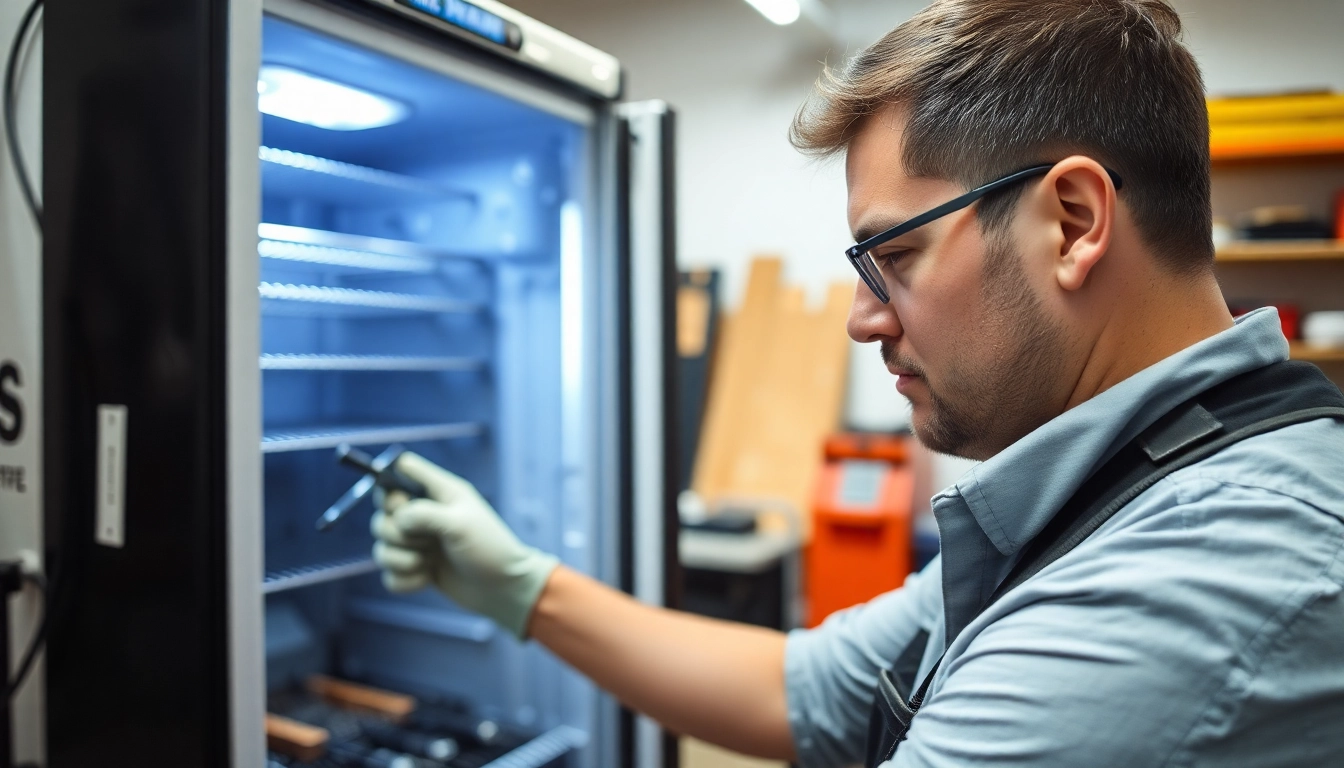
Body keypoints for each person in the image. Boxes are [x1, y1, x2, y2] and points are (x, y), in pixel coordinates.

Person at [370, 0, 1344, 765]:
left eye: (897, 255)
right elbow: (802, 687)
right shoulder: (1131, 480)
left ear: (1075, 222)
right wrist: (523, 586)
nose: (863, 318)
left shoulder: (1197, 583)